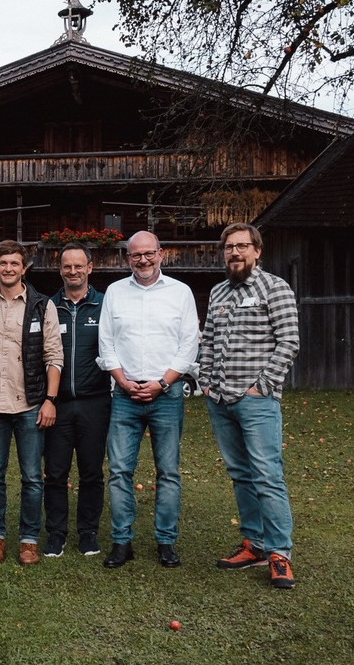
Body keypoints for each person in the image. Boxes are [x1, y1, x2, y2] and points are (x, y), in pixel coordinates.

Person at [198, 223, 300, 590]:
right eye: (229, 247)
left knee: (267, 475)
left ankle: (279, 553)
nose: (235, 253)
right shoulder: (219, 291)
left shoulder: (275, 288)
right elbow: (207, 340)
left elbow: (289, 342)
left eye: (242, 246)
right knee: (240, 473)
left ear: (258, 251)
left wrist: (263, 386)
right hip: (220, 400)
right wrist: (206, 382)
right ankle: (254, 544)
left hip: (257, 401)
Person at [97, 231, 199, 569]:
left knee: (167, 472)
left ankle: (166, 542)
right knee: (119, 471)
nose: (143, 260)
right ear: (127, 257)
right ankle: (121, 541)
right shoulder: (115, 292)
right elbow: (106, 342)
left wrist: (162, 382)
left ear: (161, 254)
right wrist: (123, 381)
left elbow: (189, 344)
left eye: (149, 254)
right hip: (125, 395)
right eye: (135, 255)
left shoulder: (180, 293)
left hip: (166, 395)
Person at [0, 240, 63, 566]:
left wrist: (50, 400)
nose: (9, 268)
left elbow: (54, 357)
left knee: (30, 476)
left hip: (30, 405)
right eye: (3, 263)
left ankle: (28, 539)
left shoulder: (42, 305)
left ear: (24, 268)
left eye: (15, 263)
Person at [42, 243, 110, 558]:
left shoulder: (104, 306)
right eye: (67, 266)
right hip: (58, 403)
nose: (73, 271)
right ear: (60, 270)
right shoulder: (47, 307)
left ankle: (88, 533)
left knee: (92, 471)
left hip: (95, 401)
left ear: (90, 268)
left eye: (78, 266)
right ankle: (56, 534)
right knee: (55, 472)